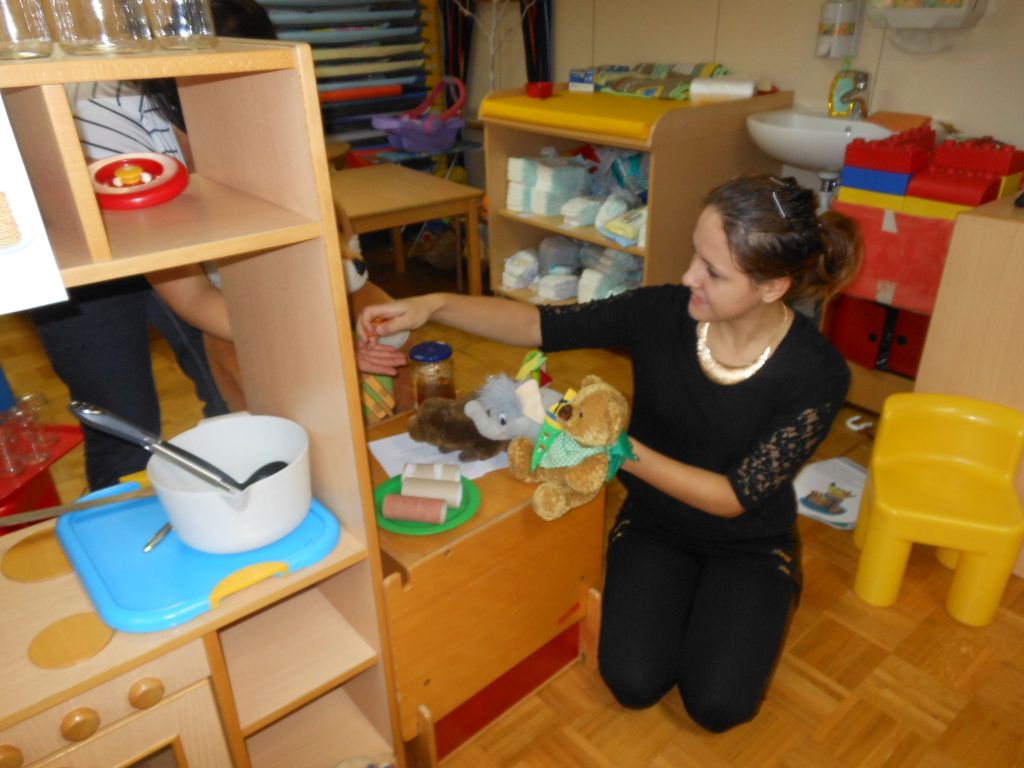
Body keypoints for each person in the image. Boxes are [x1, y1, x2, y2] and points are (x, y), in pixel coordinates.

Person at [355, 173, 862, 732]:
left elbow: (732, 496)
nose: (689, 276)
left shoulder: (817, 373)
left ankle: (760, 593)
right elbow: (538, 323)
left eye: (713, 272)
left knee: (718, 707)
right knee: (633, 682)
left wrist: (613, 447)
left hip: (749, 543)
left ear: (773, 286)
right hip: (655, 524)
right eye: (695, 255)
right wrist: (434, 304)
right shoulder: (663, 311)